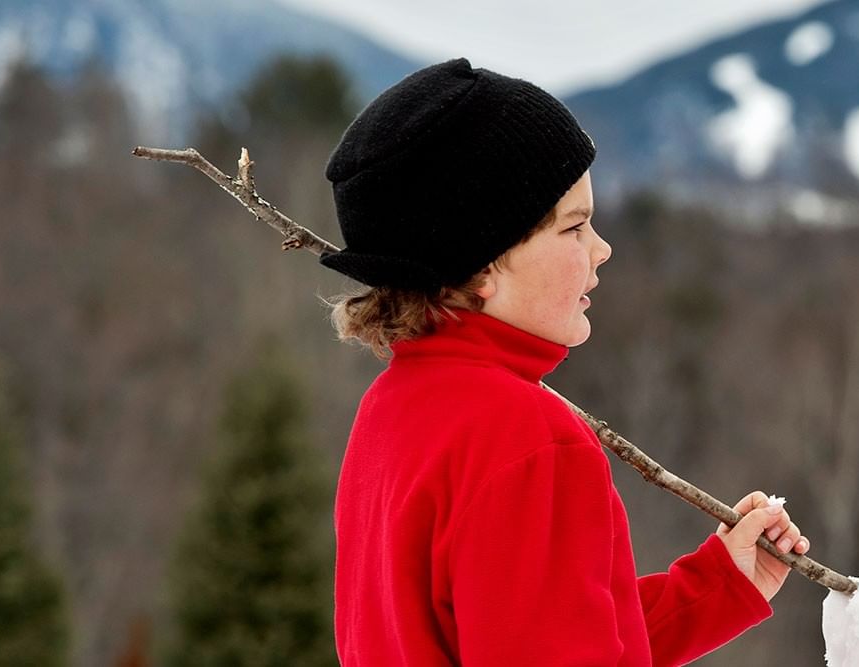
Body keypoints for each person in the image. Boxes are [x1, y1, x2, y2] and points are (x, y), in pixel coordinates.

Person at [319, 58, 809, 665]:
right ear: (483, 265)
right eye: (574, 227)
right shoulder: (528, 439)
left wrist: (717, 589)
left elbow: (547, 636)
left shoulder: (394, 410)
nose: (600, 251)